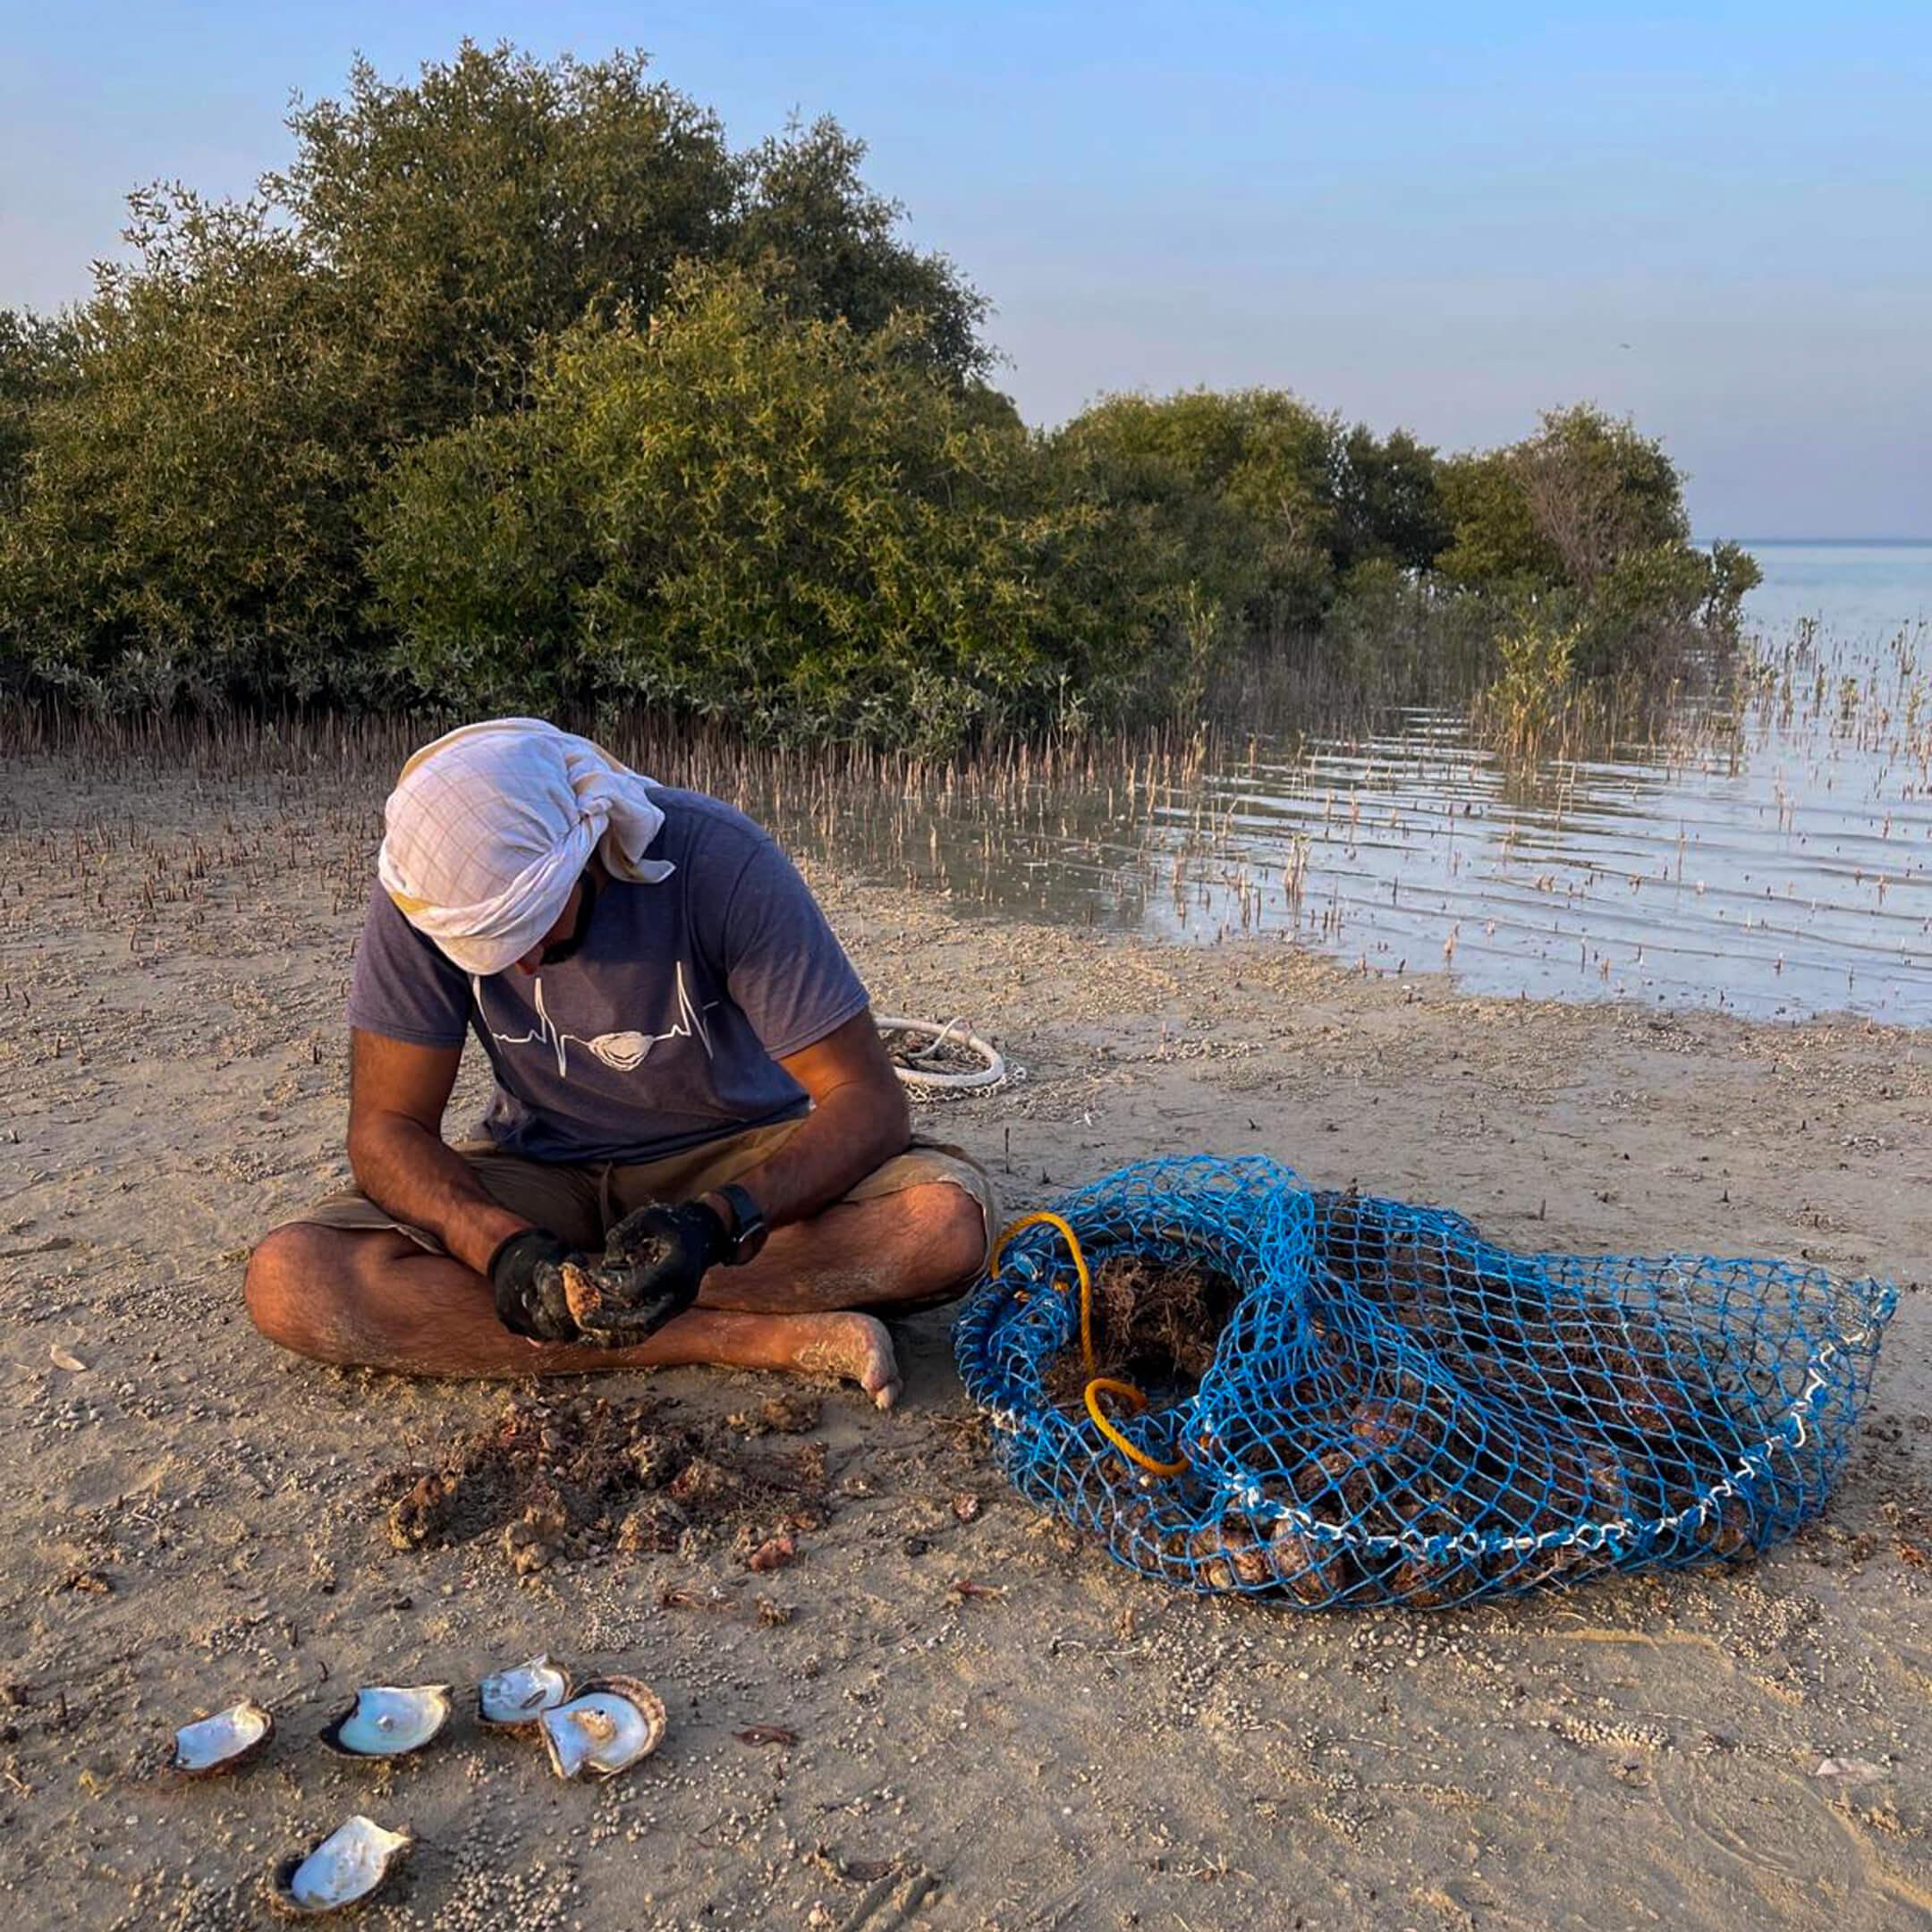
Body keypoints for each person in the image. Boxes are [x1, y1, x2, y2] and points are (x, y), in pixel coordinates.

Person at [244, 718, 996, 1409]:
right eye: (488, 952)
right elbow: (387, 1127)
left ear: (585, 850)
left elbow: (867, 1099)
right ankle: (729, 1335)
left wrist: (719, 1223)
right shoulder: (424, 900)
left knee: (942, 1226)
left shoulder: (720, 862)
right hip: (544, 1166)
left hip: (734, 1151)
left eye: (533, 926)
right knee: (293, 1280)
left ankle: (604, 1291)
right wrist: (499, 1248)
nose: (522, 966)